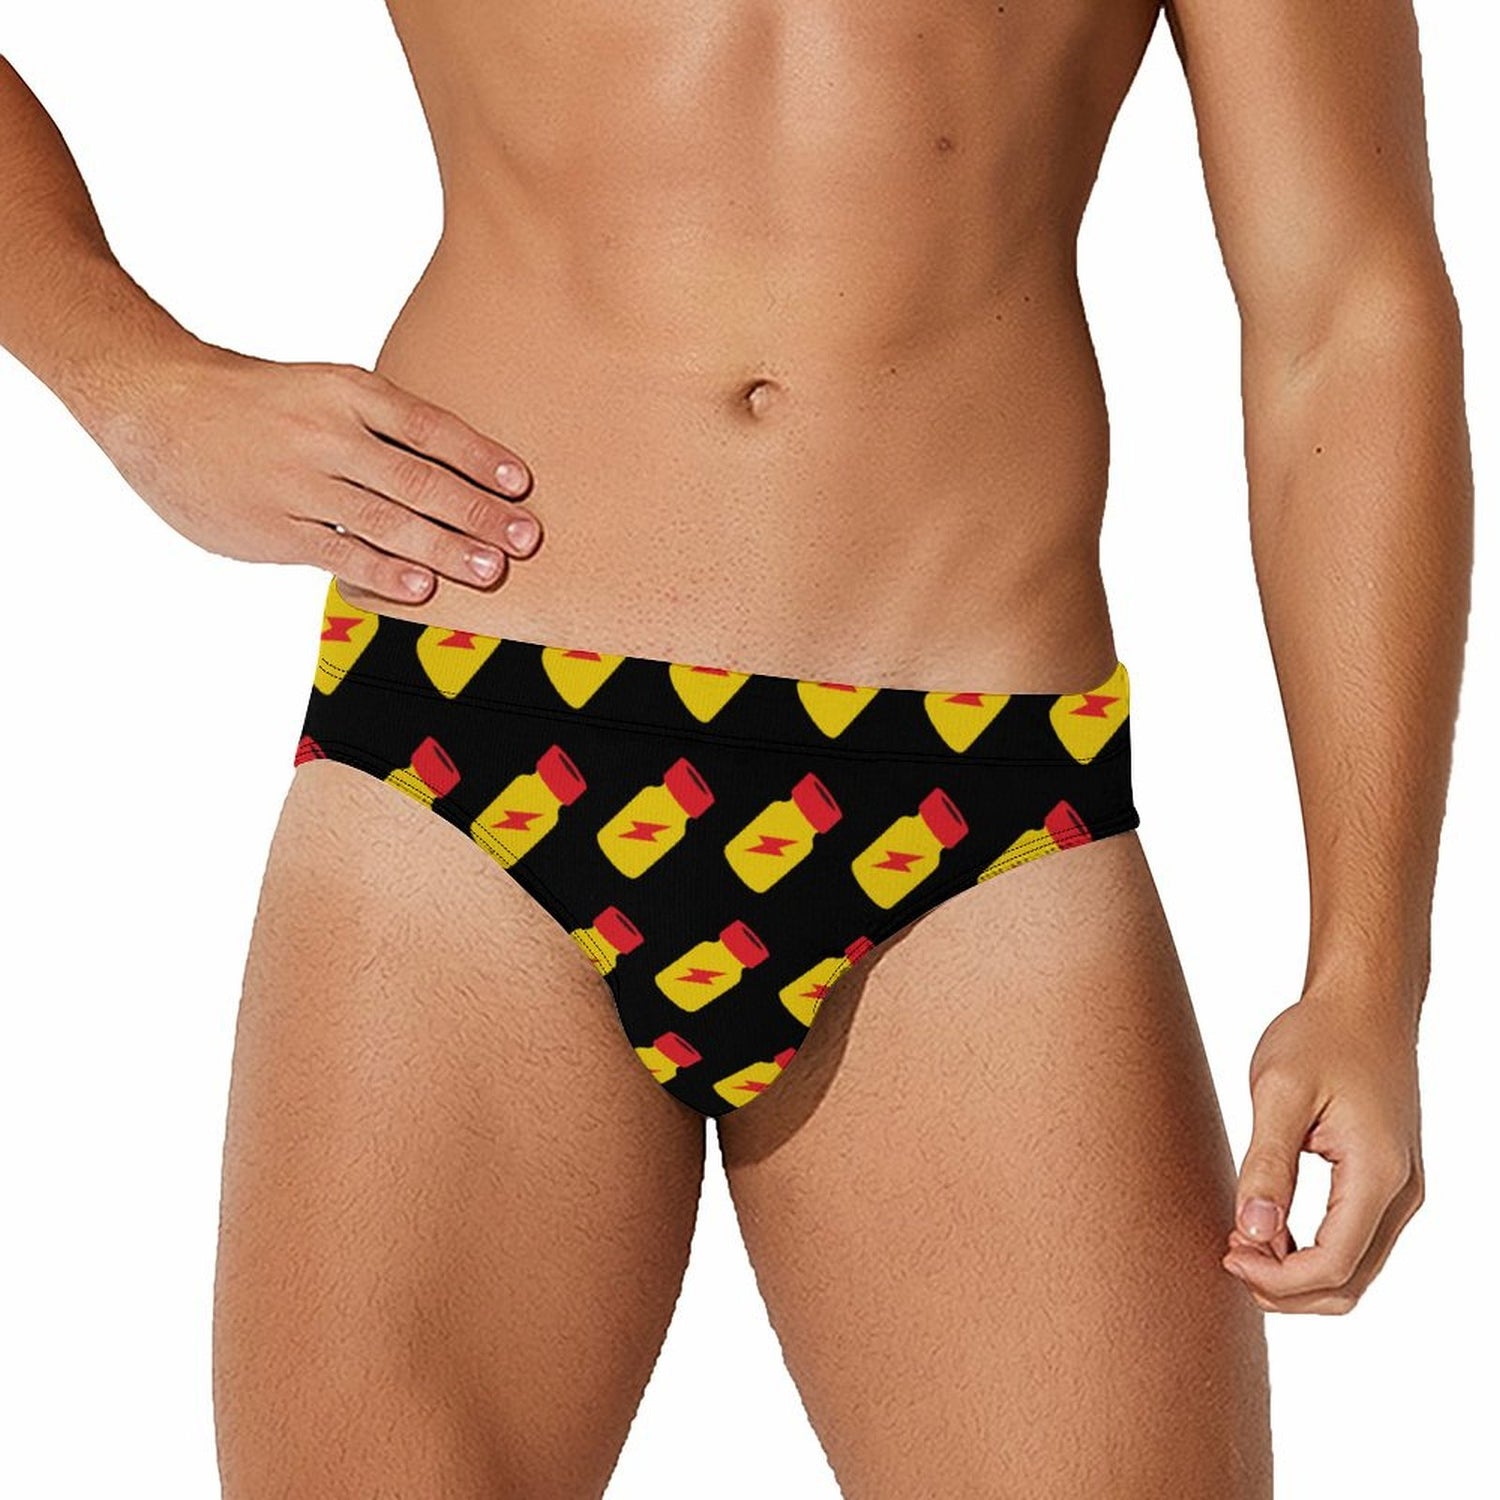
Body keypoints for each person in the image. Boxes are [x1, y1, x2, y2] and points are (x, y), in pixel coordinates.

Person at [0, 1, 1472, 1494]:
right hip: (470, 758)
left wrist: (1368, 970)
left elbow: (1343, 313)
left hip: (972, 796)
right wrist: (135, 382)